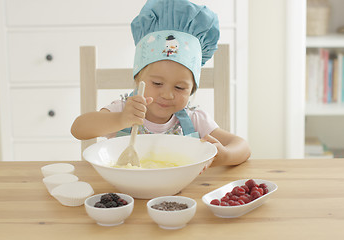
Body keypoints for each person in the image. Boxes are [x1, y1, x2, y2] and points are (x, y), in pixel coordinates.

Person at [71, 0, 250, 166]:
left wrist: (225, 155)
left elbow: (242, 146)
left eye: (180, 87)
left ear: (192, 89)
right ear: (138, 80)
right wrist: (120, 119)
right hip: (127, 193)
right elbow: (78, 129)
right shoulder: (125, 110)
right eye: (157, 83)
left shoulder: (195, 119)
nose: (167, 94)